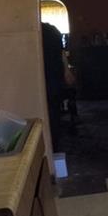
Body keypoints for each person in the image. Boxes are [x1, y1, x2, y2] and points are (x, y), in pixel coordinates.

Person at [42, 22, 66, 150]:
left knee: (52, 110)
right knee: (54, 110)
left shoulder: (46, 31)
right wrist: (67, 72)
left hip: (50, 76)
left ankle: (52, 144)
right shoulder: (52, 30)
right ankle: (54, 143)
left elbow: (61, 53)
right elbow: (62, 53)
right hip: (55, 76)